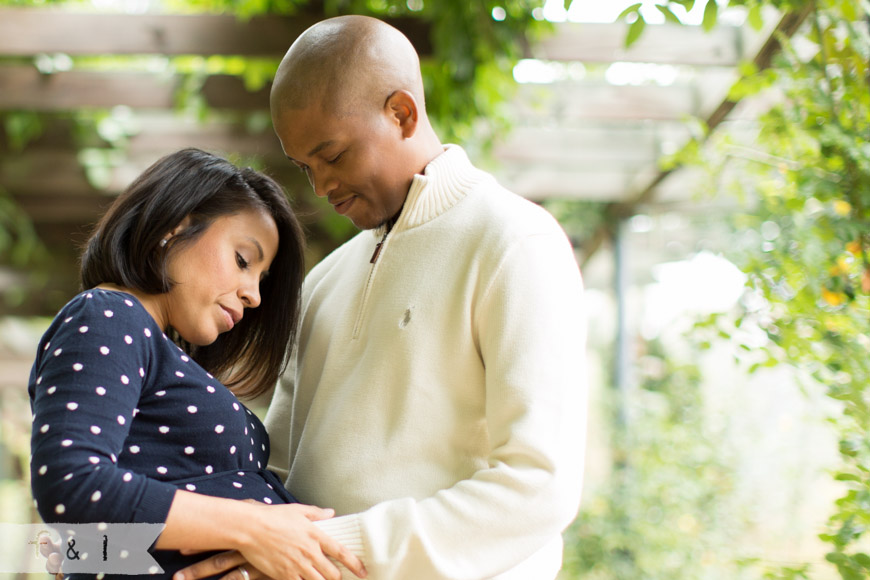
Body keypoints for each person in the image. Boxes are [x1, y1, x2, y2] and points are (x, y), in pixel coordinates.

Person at [178, 14, 587, 580]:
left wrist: (333, 548)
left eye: (334, 155)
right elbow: (280, 472)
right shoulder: (322, 282)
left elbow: (539, 487)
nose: (320, 188)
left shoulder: (515, 242)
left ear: (402, 113)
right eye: (305, 167)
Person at [28, 148, 366, 580]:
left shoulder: (151, 345)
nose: (254, 295)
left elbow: (90, 545)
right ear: (176, 226)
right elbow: (71, 485)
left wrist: (87, 554)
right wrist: (253, 528)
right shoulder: (109, 315)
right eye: (243, 260)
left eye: (260, 280)